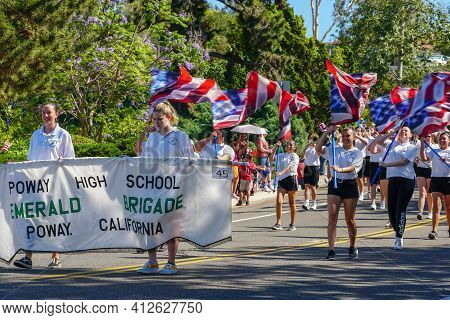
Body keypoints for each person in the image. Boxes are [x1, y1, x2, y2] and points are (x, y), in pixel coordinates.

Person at [13, 103, 75, 269]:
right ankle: (27, 257)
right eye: (43, 113)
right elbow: (30, 160)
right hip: (36, 185)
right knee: (31, 218)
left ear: (56, 114)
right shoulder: (36, 135)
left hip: (55, 184)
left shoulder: (63, 135)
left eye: (49, 113)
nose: (46, 116)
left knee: (54, 220)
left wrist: (62, 163)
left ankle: (55, 256)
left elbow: (71, 161)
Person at [135, 102, 194, 275]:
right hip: (153, 188)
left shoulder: (181, 136)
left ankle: (171, 263)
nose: (157, 123)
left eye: (160, 119)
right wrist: (142, 135)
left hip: (173, 188)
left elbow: (191, 161)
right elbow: (141, 156)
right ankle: (152, 262)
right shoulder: (152, 138)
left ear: (169, 117)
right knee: (150, 223)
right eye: (154, 120)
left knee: (171, 225)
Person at [316, 126, 363, 260]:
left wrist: (340, 169)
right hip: (335, 184)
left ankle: (352, 246)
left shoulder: (357, 153)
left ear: (353, 137)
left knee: (350, 220)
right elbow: (318, 149)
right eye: (343, 135)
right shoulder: (334, 150)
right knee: (332, 218)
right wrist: (326, 133)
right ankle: (331, 250)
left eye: (348, 135)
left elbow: (354, 168)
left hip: (350, 185)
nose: (345, 138)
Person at [375, 127, 419, 250]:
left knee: (400, 209)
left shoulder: (412, 147)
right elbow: (378, 141)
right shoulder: (392, 143)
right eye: (402, 131)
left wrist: (386, 165)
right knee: (391, 211)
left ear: (410, 135)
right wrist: (392, 132)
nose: (403, 132)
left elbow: (404, 161)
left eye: (406, 131)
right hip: (392, 178)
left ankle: (399, 237)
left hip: (406, 179)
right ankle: (398, 231)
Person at [420, 132, 450, 239]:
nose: (442, 140)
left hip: (448, 180)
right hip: (436, 180)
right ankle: (434, 231)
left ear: (449, 140)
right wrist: (422, 146)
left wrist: (446, 160)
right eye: (440, 139)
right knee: (437, 206)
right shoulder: (434, 151)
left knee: (448, 207)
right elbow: (424, 158)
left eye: (444, 139)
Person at [270, 140, 300, 231]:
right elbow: (271, 159)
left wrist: (281, 172)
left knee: (292, 203)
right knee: (279, 201)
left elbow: (290, 167)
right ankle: (279, 223)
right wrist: (275, 147)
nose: (289, 146)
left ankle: (292, 224)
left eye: (291, 145)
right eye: (287, 145)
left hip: (291, 179)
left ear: (294, 147)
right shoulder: (282, 155)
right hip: (282, 180)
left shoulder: (295, 156)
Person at [416, 133, 436, 220]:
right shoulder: (419, 146)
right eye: (425, 136)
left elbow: (426, 158)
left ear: (432, 138)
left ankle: (430, 211)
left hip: (430, 169)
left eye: (428, 136)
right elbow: (416, 159)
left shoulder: (434, 147)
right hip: (420, 169)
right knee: (422, 192)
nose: (426, 138)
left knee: (429, 192)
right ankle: (420, 212)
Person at [301, 134, 320, 210]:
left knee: (313, 187)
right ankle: (306, 203)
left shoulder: (318, 147)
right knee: (306, 186)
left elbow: (319, 154)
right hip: (307, 167)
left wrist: (315, 146)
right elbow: (302, 156)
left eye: (314, 139)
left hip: (315, 168)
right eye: (311, 138)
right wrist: (307, 146)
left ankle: (314, 203)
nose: (312, 140)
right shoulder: (308, 147)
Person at [354, 126, 368, 201]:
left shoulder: (363, 139)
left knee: (360, 178)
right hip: (353, 160)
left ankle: (361, 193)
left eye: (359, 131)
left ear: (362, 132)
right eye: (357, 130)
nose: (358, 132)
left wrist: (358, 136)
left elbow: (366, 143)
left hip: (361, 159)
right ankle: (355, 193)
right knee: (353, 178)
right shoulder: (353, 140)